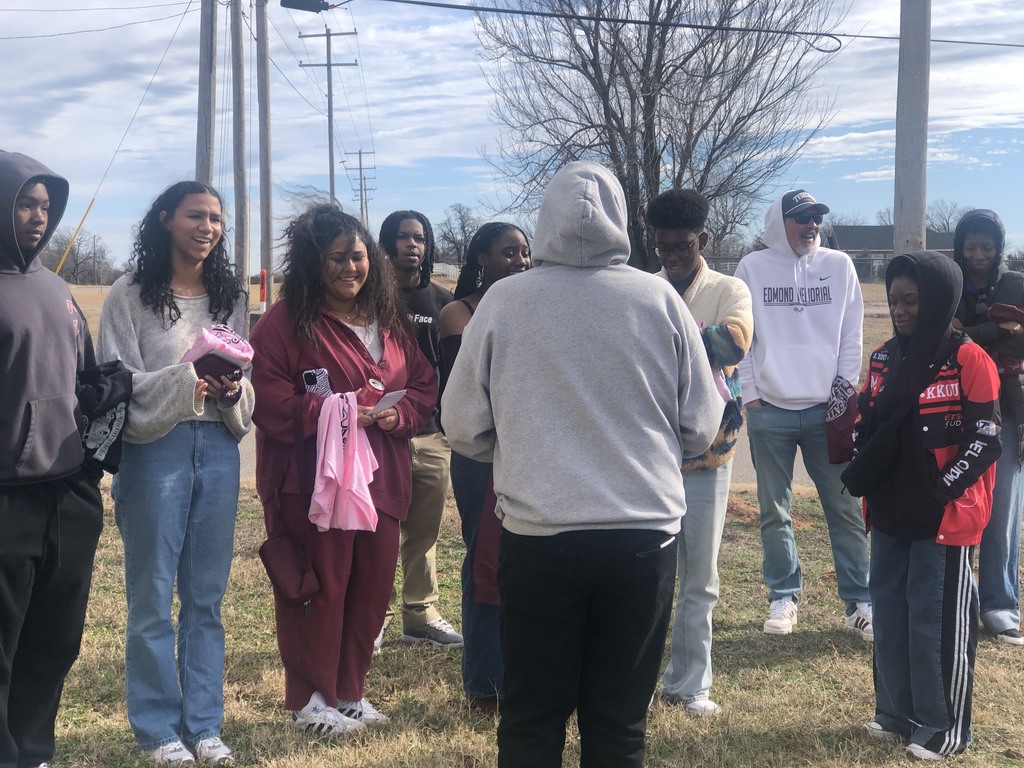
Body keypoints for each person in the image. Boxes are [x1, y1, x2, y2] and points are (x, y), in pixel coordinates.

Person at [442, 161, 723, 768]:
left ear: (543, 220)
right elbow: (703, 426)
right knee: (620, 722)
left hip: (541, 534)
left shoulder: (503, 302)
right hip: (643, 536)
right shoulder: (660, 300)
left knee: (530, 718)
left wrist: (525, 446)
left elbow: (462, 424)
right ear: (622, 219)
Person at [249, 204, 436, 734]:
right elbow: (267, 399)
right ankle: (310, 700)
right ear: (313, 263)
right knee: (319, 585)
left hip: (381, 479)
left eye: (359, 257)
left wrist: (400, 412)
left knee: (372, 585)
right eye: (338, 258)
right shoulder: (283, 324)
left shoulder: (390, 321)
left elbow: (422, 382)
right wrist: (338, 408)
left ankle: (350, 691)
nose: (351, 268)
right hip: (314, 484)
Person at [98, 181, 253, 765]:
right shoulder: (128, 294)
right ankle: (159, 730)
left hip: (216, 447)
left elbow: (246, 370)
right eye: (195, 215)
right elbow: (117, 382)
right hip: (154, 451)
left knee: (207, 597)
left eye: (216, 218)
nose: (207, 227)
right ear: (165, 219)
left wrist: (234, 387)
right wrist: (187, 379)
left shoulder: (228, 295)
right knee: (152, 597)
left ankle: (205, 725)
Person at [849, 251, 999, 761]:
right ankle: (895, 714)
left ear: (937, 299)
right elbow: (865, 420)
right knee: (890, 614)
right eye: (894, 301)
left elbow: (987, 438)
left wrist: (945, 487)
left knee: (933, 623)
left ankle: (943, 728)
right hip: (889, 510)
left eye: (911, 300)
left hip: (944, 516)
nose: (901, 310)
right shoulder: (885, 357)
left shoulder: (969, 358)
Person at [0, 151, 105, 768]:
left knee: (57, 637)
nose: (38, 217)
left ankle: (32, 749)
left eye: (46, 206)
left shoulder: (57, 287)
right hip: (6, 494)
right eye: (24, 203)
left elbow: (83, 378)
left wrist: (101, 394)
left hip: (67, 491)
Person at [734, 189, 872, 639]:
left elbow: (852, 334)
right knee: (774, 509)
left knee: (845, 508)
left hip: (825, 410)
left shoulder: (839, 266)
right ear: (780, 222)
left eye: (816, 218)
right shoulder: (753, 268)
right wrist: (751, 393)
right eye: (801, 218)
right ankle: (783, 597)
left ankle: (859, 602)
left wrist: (843, 392)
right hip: (769, 411)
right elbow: (745, 336)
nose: (811, 225)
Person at [646, 188, 752, 715]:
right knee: (647, 576)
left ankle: (691, 684)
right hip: (650, 453)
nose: (671, 256)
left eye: (681, 246)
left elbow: (734, 343)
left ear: (702, 239)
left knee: (701, 578)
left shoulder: (730, 288)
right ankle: (644, 676)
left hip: (711, 454)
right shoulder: (645, 288)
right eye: (663, 247)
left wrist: (669, 333)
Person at [438, 222, 532, 712]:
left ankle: (526, 671)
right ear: (481, 259)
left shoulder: (535, 303)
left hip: (533, 450)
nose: (520, 261)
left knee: (531, 559)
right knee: (487, 561)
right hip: (481, 453)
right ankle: (484, 683)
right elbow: (467, 392)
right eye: (508, 252)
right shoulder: (459, 313)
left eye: (525, 252)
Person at [376, 210, 463, 648]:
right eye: (404, 238)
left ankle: (419, 612)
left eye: (420, 238)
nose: (413, 245)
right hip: (378, 434)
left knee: (424, 529)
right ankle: (371, 616)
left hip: (431, 433)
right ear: (387, 244)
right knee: (374, 528)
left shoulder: (444, 302)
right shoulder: (369, 300)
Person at [951, 209, 1024, 646]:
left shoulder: (1016, 283)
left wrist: (974, 331)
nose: (978, 254)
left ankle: (999, 604)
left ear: (998, 247)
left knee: (1002, 511)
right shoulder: (949, 283)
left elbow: (1020, 339)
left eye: (986, 246)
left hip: (1010, 408)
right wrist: (999, 328)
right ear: (960, 247)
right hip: (957, 406)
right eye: (970, 246)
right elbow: (945, 335)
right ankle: (960, 599)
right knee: (958, 504)